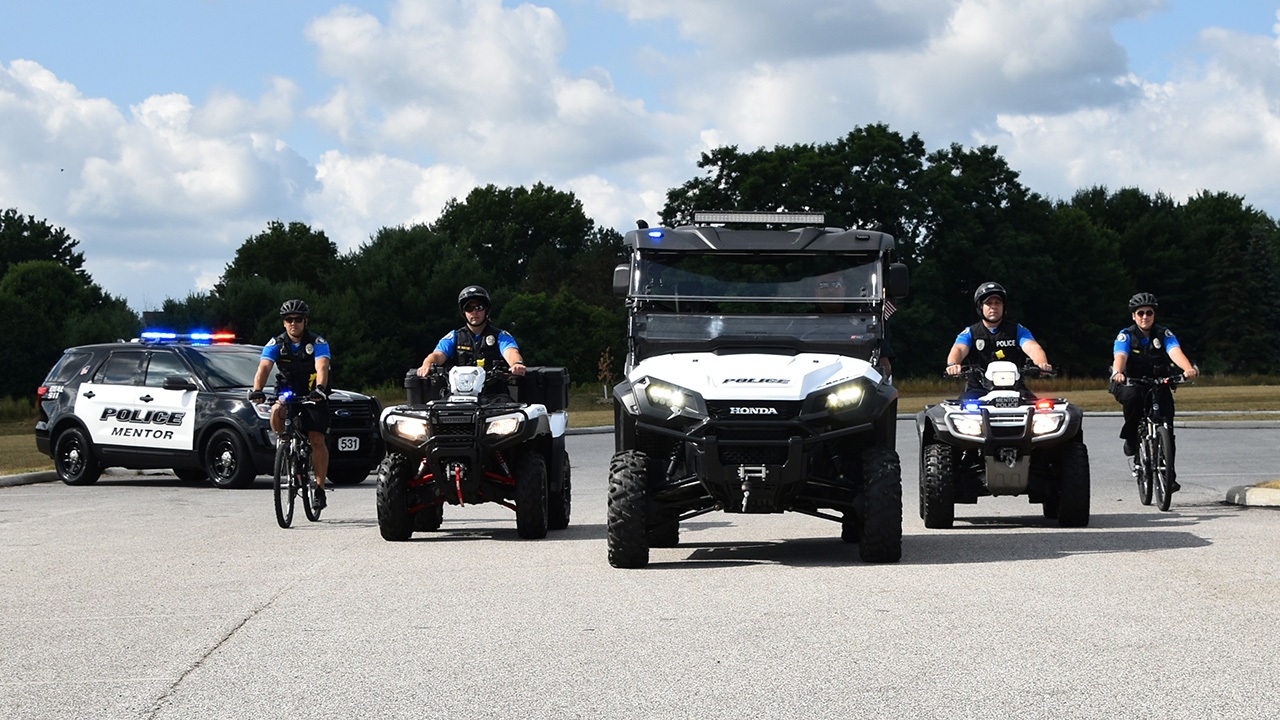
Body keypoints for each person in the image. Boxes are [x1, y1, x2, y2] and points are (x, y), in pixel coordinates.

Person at [249, 299, 332, 509]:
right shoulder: (276, 343)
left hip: (313, 392)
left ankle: (320, 488)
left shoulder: (317, 342)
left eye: (297, 319)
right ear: (284, 323)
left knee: (316, 438)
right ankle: (284, 444)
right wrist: (257, 390)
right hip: (288, 389)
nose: (293, 323)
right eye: (289, 320)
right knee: (277, 409)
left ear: (305, 321)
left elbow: (322, 367)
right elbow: (264, 368)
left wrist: (320, 389)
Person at [1109, 292, 1198, 488]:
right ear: (1134, 315)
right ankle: (1132, 438)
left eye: (1149, 312)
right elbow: (1120, 356)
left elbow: (1174, 351)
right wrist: (1118, 372)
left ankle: (1169, 477)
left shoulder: (1163, 334)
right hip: (1131, 382)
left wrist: (1187, 368)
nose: (1144, 317)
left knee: (1167, 425)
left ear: (1154, 314)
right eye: (1140, 313)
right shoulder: (1126, 335)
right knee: (1133, 398)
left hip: (1159, 382)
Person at [945, 281, 1051, 397]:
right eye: (989, 303)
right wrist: (953, 364)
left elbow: (1033, 348)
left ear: (1003, 306)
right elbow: (959, 349)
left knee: (1038, 410)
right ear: (981, 306)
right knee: (965, 410)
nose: (993, 307)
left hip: (1015, 388)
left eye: (998, 303)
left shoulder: (1017, 330)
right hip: (978, 388)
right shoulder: (970, 332)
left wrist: (1041, 363)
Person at [417, 286, 527, 388]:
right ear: (464, 312)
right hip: (458, 394)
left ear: (486, 310)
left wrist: (516, 364)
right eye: (469, 308)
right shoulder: (454, 336)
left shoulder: (500, 336)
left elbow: (511, 352)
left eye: (479, 307)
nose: (474, 312)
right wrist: (426, 365)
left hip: (494, 394)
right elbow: (437, 355)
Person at [814, 271, 894, 378]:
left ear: (844, 289)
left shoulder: (864, 319)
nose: (830, 290)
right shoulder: (802, 321)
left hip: (853, 379)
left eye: (836, 284)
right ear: (815, 292)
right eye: (823, 285)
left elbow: (885, 366)